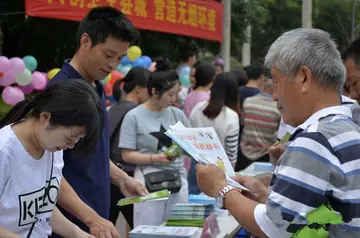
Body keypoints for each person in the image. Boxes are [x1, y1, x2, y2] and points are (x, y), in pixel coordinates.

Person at [196, 28, 360, 237]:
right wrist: (266, 197)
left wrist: (221, 188)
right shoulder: (348, 129)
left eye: (276, 81)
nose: (274, 96)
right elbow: (314, 217)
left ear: (303, 78)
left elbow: (274, 228)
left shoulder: (315, 140)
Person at [49, 6, 148, 238]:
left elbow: (94, 151)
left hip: (96, 221)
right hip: (69, 226)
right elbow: (48, 173)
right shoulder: (61, 93)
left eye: (120, 58)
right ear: (85, 41)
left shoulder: (96, 86)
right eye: (107, 54)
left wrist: (122, 178)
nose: (113, 65)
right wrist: (91, 219)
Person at [0, 79, 103, 238]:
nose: (70, 146)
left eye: (76, 141)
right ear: (46, 118)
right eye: (70, 138)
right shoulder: (4, 151)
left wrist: (80, 234)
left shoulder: (52, 147)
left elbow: (42, 209)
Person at [119, 70, 190, 228]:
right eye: (170, 95)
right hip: (147, 181)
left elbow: (190, 145)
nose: (174, 99)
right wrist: (155, 158)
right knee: (148, 228)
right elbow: (126, 154)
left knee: (180, 228)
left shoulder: (178, 114)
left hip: (178, 178)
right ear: (154, 92)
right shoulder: (133, 116)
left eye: (175, 94)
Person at [108, 66, 150, 228]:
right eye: (149, 89)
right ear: (139, 89)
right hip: (127, 176)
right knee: (143, 229)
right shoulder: (136, 113)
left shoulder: (113, 108)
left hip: (110, 176)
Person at [188, 72, 240, 194]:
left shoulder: (198, 108)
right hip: (220, 171)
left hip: (196, 167)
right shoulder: (231, 116)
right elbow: (231, 154)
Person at [237, 78, 281, 171]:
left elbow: (243, 123)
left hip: (244, 151)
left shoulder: (247, 102)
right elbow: (283, 133)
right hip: (266, 154)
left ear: (262, 87)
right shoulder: (277, 108)